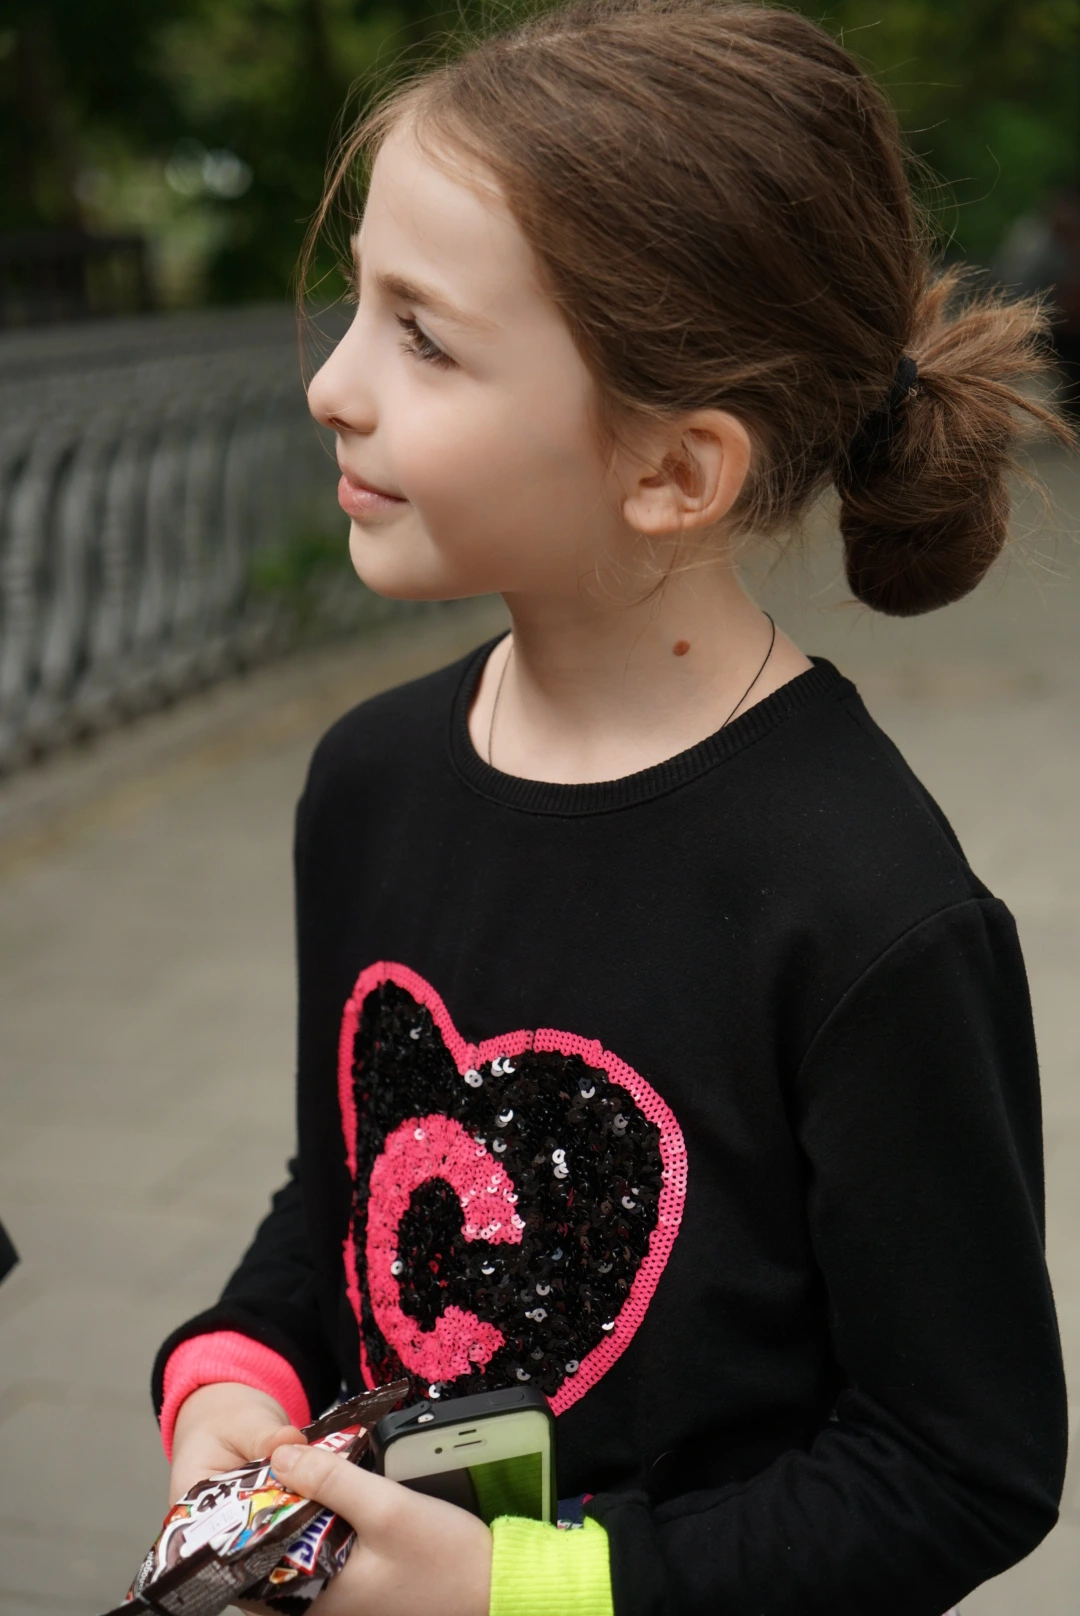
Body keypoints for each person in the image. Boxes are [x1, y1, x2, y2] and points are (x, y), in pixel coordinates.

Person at [151, 3, 1072, 1613]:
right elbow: (345, 1192)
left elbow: (958, 1467)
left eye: (426, 338)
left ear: (671, 472)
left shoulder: (871, 908)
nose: (333, 385)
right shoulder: (368, 778)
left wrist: (529, 1590)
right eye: (356, 300)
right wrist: (235, 1367)